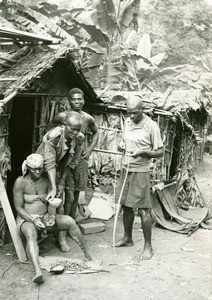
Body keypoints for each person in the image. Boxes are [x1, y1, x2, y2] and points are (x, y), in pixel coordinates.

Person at [13, 154, 97, 284]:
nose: (37, 171)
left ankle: (88, 255)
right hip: (26, 219)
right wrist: (33, 220)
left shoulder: (46, 181)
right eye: (34, 169)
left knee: (69, 221)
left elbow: (51, 203)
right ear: (27, 168)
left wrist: (51, 216)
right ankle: (38, 272)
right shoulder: (20, 181)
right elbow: (18, 208)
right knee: (31, 232)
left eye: (40, 168)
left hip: (45, 217)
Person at [115, 95, 164, 260]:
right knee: (126, 206)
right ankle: (128, 238)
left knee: (143, 209)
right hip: (125, 168)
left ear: (142, 109)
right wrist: (121, 146)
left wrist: (144, 152)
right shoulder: (127, 123)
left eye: (135, 113)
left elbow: (160, 152)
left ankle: (148, 247)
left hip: (141, 171)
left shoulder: (151, 126)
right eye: (129, 112)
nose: (131, 116)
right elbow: (123, 143)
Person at [36, 111, 84, 251]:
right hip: (40, 169)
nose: (75, 133)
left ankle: (61, 238)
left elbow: (70, 164)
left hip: (57, 171)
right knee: (41, 202)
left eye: (78, 130)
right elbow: (49, 164)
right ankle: (40, 237)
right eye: (72, 129)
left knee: (59, 202)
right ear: (64, 125)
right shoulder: (54, 136)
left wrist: (61, 183)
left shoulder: (79, 140)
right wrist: (53, 187)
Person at [52, 88, 99, 220]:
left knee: (77, 193)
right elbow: (51, 130)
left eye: (80, 99)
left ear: (83, 100)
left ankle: (72, 222)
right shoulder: (63, 116)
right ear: (69, 100)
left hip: (81, 159)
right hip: (66, 158)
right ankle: (64, 223)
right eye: (74, 99)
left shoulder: (87, 118)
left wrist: (89, 149)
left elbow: (96, 132)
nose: (77, 102)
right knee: (68, 193)